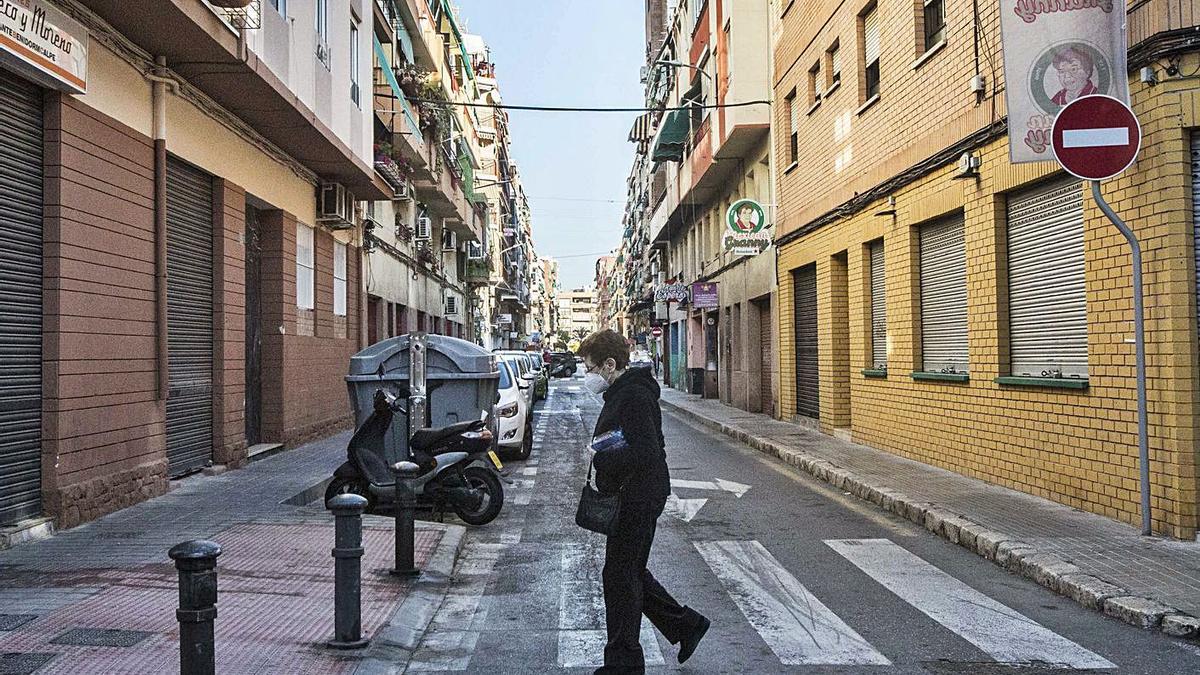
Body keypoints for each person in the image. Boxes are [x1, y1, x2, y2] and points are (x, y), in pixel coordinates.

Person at [578, 329, 710, 674]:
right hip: (635, 493)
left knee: (621, 575)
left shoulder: (633, 395)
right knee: (626, 572)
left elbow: (646, 451)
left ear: (610, 363)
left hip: (638, 496)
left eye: (591, 368)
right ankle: (685, 625)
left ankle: (624, 664)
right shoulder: (624, 391)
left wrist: (603, 455)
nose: (588, 376)